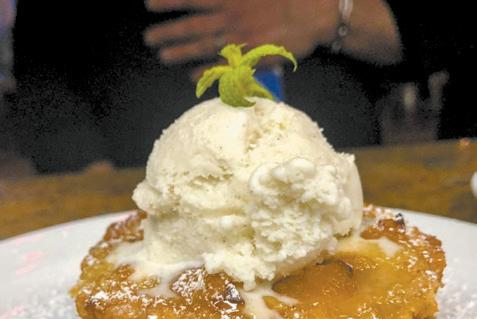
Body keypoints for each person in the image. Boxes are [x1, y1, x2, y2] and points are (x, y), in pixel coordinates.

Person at [11, 1, 474, 173]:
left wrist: (331, 13)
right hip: (141, 184)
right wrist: (85, 172)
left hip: (345, 175)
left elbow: (443, 32)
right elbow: (43, 57)